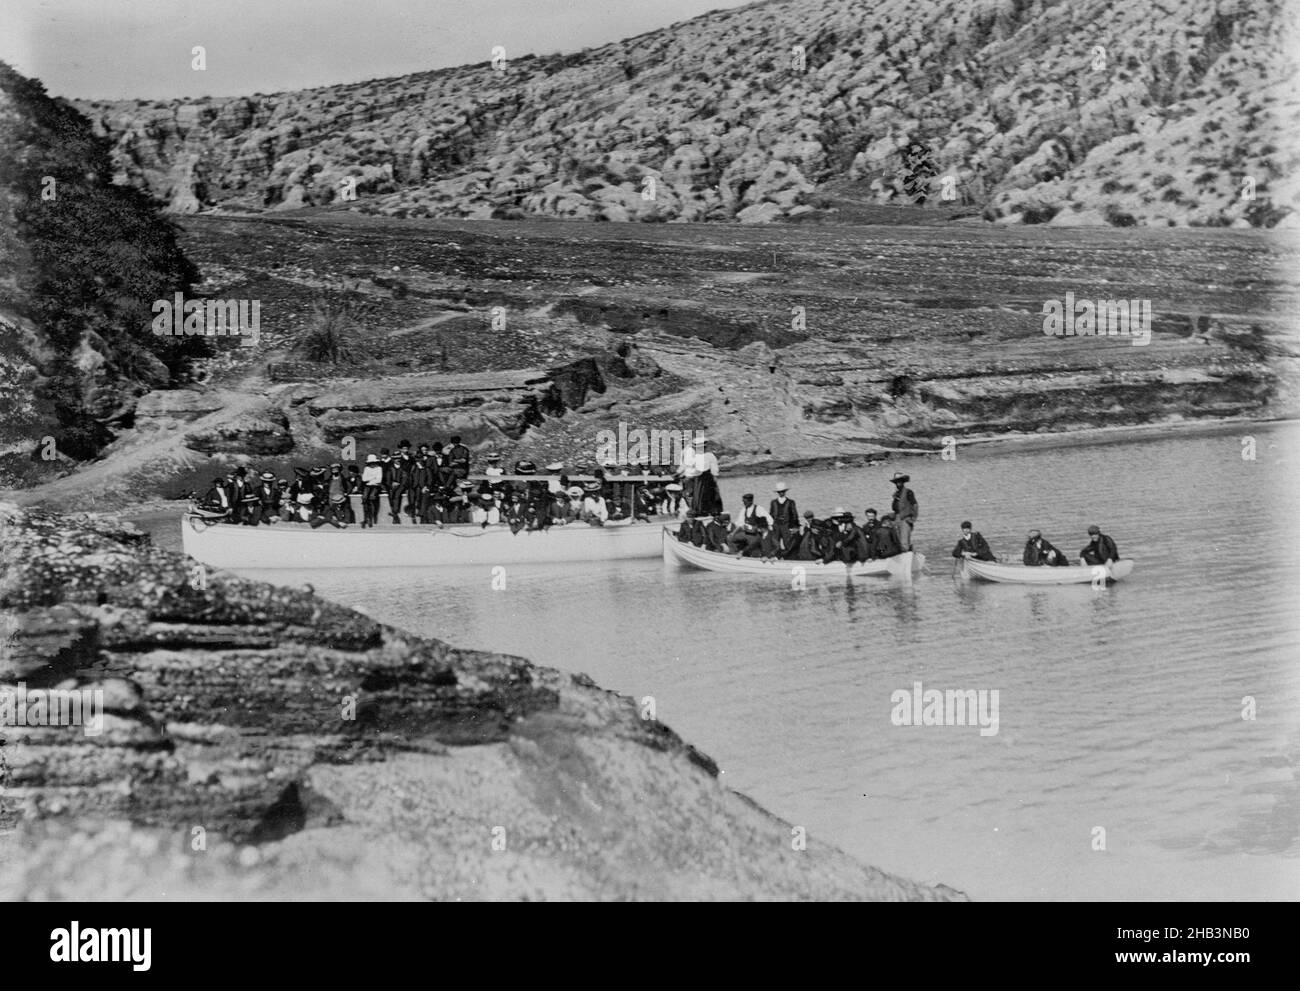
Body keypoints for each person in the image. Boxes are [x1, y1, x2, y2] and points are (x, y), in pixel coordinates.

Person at [685, 435, 723, 517]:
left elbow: (714, 467)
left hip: (706, 477)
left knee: (709, 493)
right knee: (700, 494)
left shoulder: (709, 455)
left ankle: (712, 510)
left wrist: (715, 476)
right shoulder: (696, 457)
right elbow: (691, 466)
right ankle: (702, 510)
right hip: (700, 477)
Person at [889, 471, 918, 551]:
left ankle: (906, 556)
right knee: (897, 539)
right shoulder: (896, 493)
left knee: (904, 541)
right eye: (896, 481)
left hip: (905, 518)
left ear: (903, 482)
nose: (898, 483)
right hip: (897, 518)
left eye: (900, 481)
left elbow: (915, 505)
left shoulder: (908, 492)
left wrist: (913, 518)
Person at [768, 482, 799, 556]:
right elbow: (771, 515)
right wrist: (770, 525)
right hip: (776, 526)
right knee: (775, 544)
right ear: (777, 492)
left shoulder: (791, 502)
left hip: (786, 526)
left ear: (785, 492)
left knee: (788, 543)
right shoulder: (773, 502)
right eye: (779, 492)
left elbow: (794, 515)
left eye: (782, 491)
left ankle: (789, 557)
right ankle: (776, 558)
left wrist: (794, 527)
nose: (781, 493)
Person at [361, 454, 383, 528]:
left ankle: (371, 518)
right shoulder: (366, 468)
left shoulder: (379, 468)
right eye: (371, 463)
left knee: (371, 498)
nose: (372, 464)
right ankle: (365, 517)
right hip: (368, 486)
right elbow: (364, 479)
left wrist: (370, 479)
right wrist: (373, 478)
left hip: (376, 486)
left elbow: (379, 480)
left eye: (373, 462)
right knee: (364, 499)